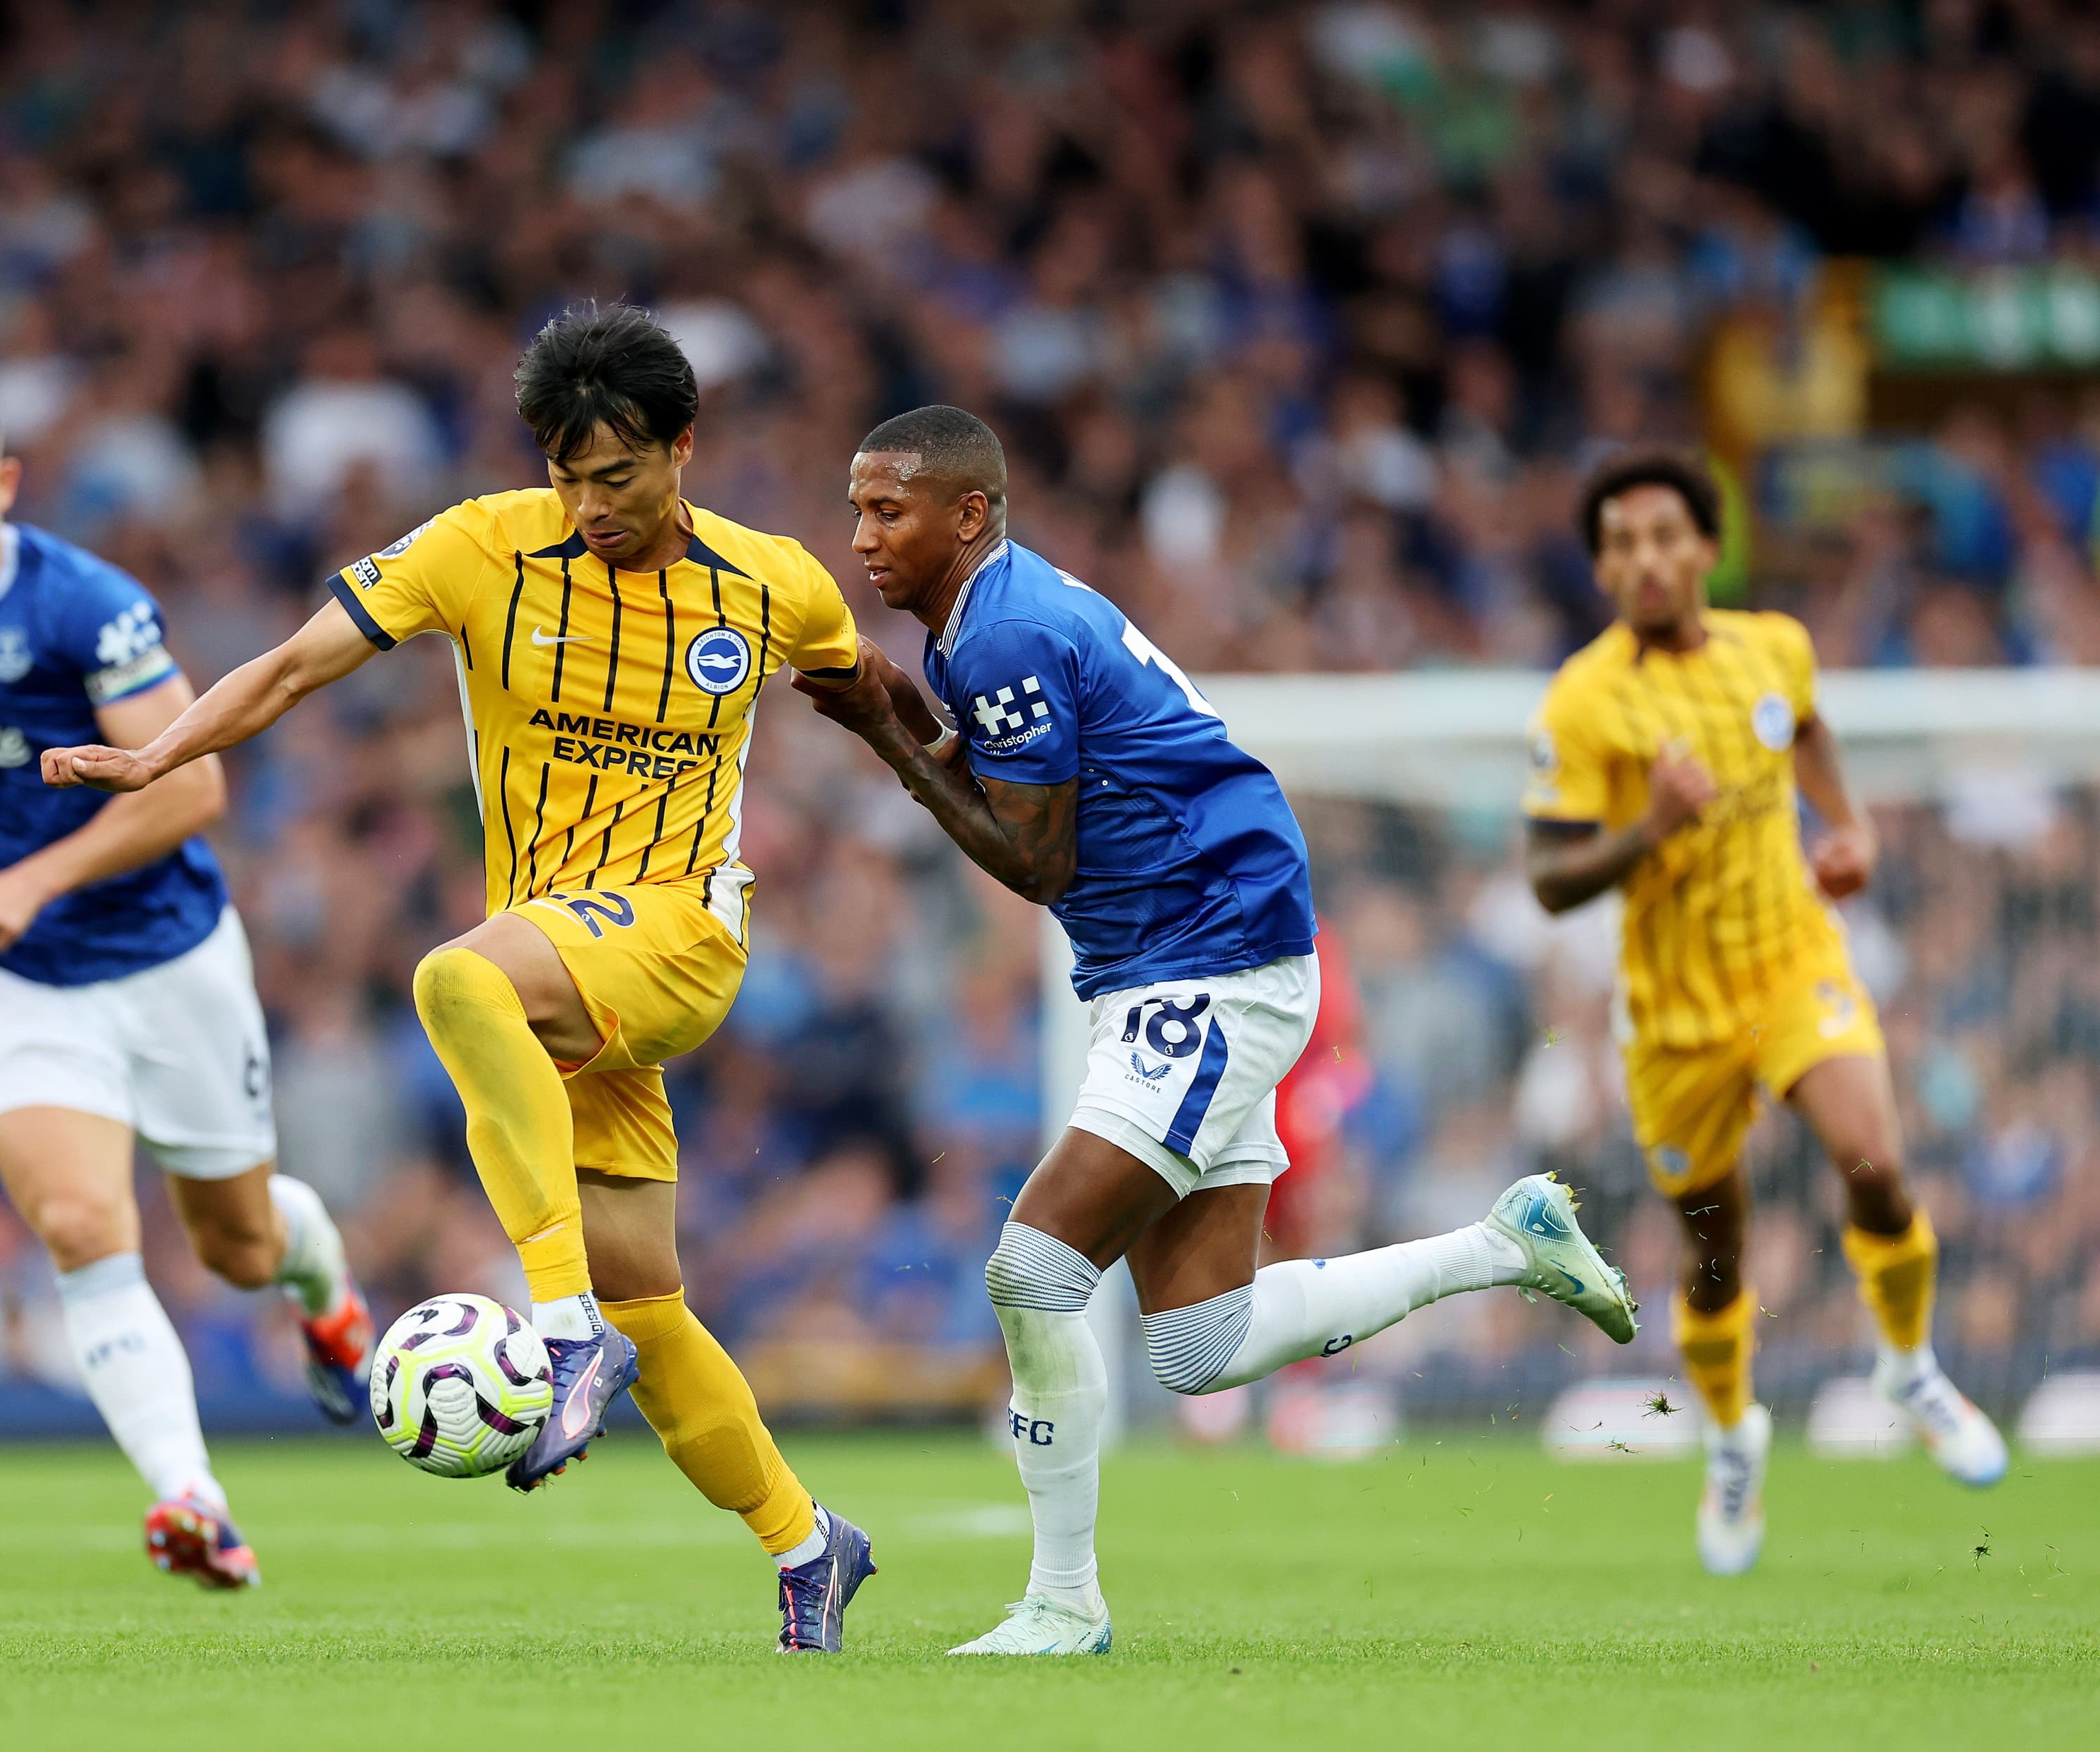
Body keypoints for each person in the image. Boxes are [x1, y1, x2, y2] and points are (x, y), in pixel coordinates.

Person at [41, 305, 889, 1653]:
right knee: (652, 1309)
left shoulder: (774, 580)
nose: (590, 504)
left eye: (618, 475)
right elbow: (292, 667)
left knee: (453, 981)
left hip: (681, 935)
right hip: (564, 970)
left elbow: (870, 697)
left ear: (684, 447)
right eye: (567, 474)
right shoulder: (479, 547)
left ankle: (561, 1332)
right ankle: (808, 1544)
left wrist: (986, 807)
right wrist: (158, 757)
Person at [795, 406, 1639, 1656]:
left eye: (888, 510)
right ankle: (1502, 1244)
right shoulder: (991, 619)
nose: (863, 537)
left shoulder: (1008, 631)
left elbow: (1033, 861)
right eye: (857, 510)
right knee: (1201, 1342)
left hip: (1209, 958)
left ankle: (1064, 1602)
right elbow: (1002, 790)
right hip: (1187, 958)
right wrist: (900, 708)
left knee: (1032, 1270)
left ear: (968, 514)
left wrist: (884, 728)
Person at [0, 380, 372, 1592]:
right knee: (81, 1225)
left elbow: (193, 787)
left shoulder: (85, 604)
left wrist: (28, 879)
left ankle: (325, 1291)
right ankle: (195, 1502)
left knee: (239, 1249)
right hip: (20, 984)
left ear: (3, 484)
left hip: (169, 957)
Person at [1522, 450, 2004, 1576]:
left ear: (1704, 547)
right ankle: (1734, 1436)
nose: (1646, 560)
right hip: (1675, 1017)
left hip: (1792, 965)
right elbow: (1548, 878)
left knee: (1875, 1163)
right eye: (1621, 545)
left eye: (1663, 536)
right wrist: (1652, 828)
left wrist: (1853, 829)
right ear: (1602, 569)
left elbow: (1810, 731)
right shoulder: (1584, 698)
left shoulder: (1775, 647)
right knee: (1716, 1251)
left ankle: (1909, 1369)